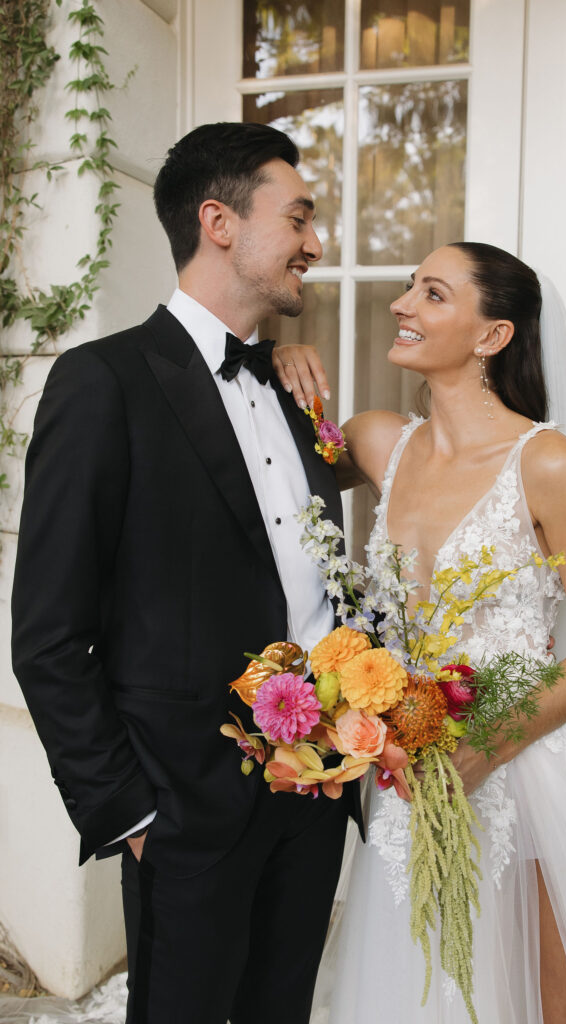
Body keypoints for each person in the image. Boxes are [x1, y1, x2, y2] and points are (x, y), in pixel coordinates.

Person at [11, 122, 361, 1024]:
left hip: (316, 793)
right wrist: (130, 812)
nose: (314, 245)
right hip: (185, 810)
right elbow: (49, 635)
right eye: (298, 219)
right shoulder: (103, 382)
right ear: (219, 221)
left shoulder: (292, 383)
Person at [278, 243, 566, 1023]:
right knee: (432, 985)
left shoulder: (549, 463)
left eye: (431, 294)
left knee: (556, 997)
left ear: (490, 335)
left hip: (530, 767)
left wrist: (487, 746)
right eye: (407, 288)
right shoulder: (376, 441)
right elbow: (262, 465)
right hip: (414, 769)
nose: (401, 305)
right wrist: (279, 359)